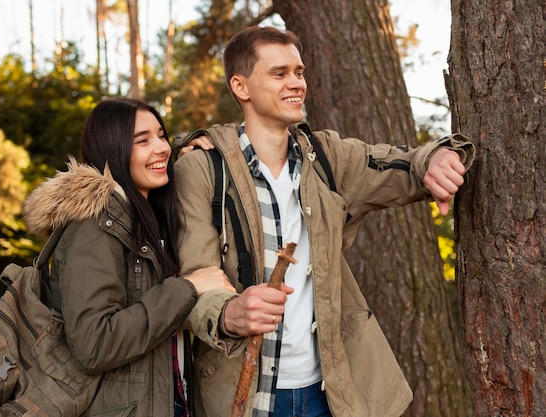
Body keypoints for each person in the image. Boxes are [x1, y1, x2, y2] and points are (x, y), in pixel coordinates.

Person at [174, 26, 475, 417]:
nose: (296, 83)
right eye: (279, 73)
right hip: (246, 394)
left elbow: (403, 164)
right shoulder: (203, 168)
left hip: (329, 392)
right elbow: (197, 273)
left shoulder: (328, 157)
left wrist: (436, 160)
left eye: (299, 72)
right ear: (241, 86)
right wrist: (229, 313)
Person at [22, 97, 235, 417]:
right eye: (143, 140)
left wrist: (191, 159)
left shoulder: (144, 218)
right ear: (112, 148)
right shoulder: (94, 226)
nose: (161, 147)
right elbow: (94, 344)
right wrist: (188, 287)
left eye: (161, 136)